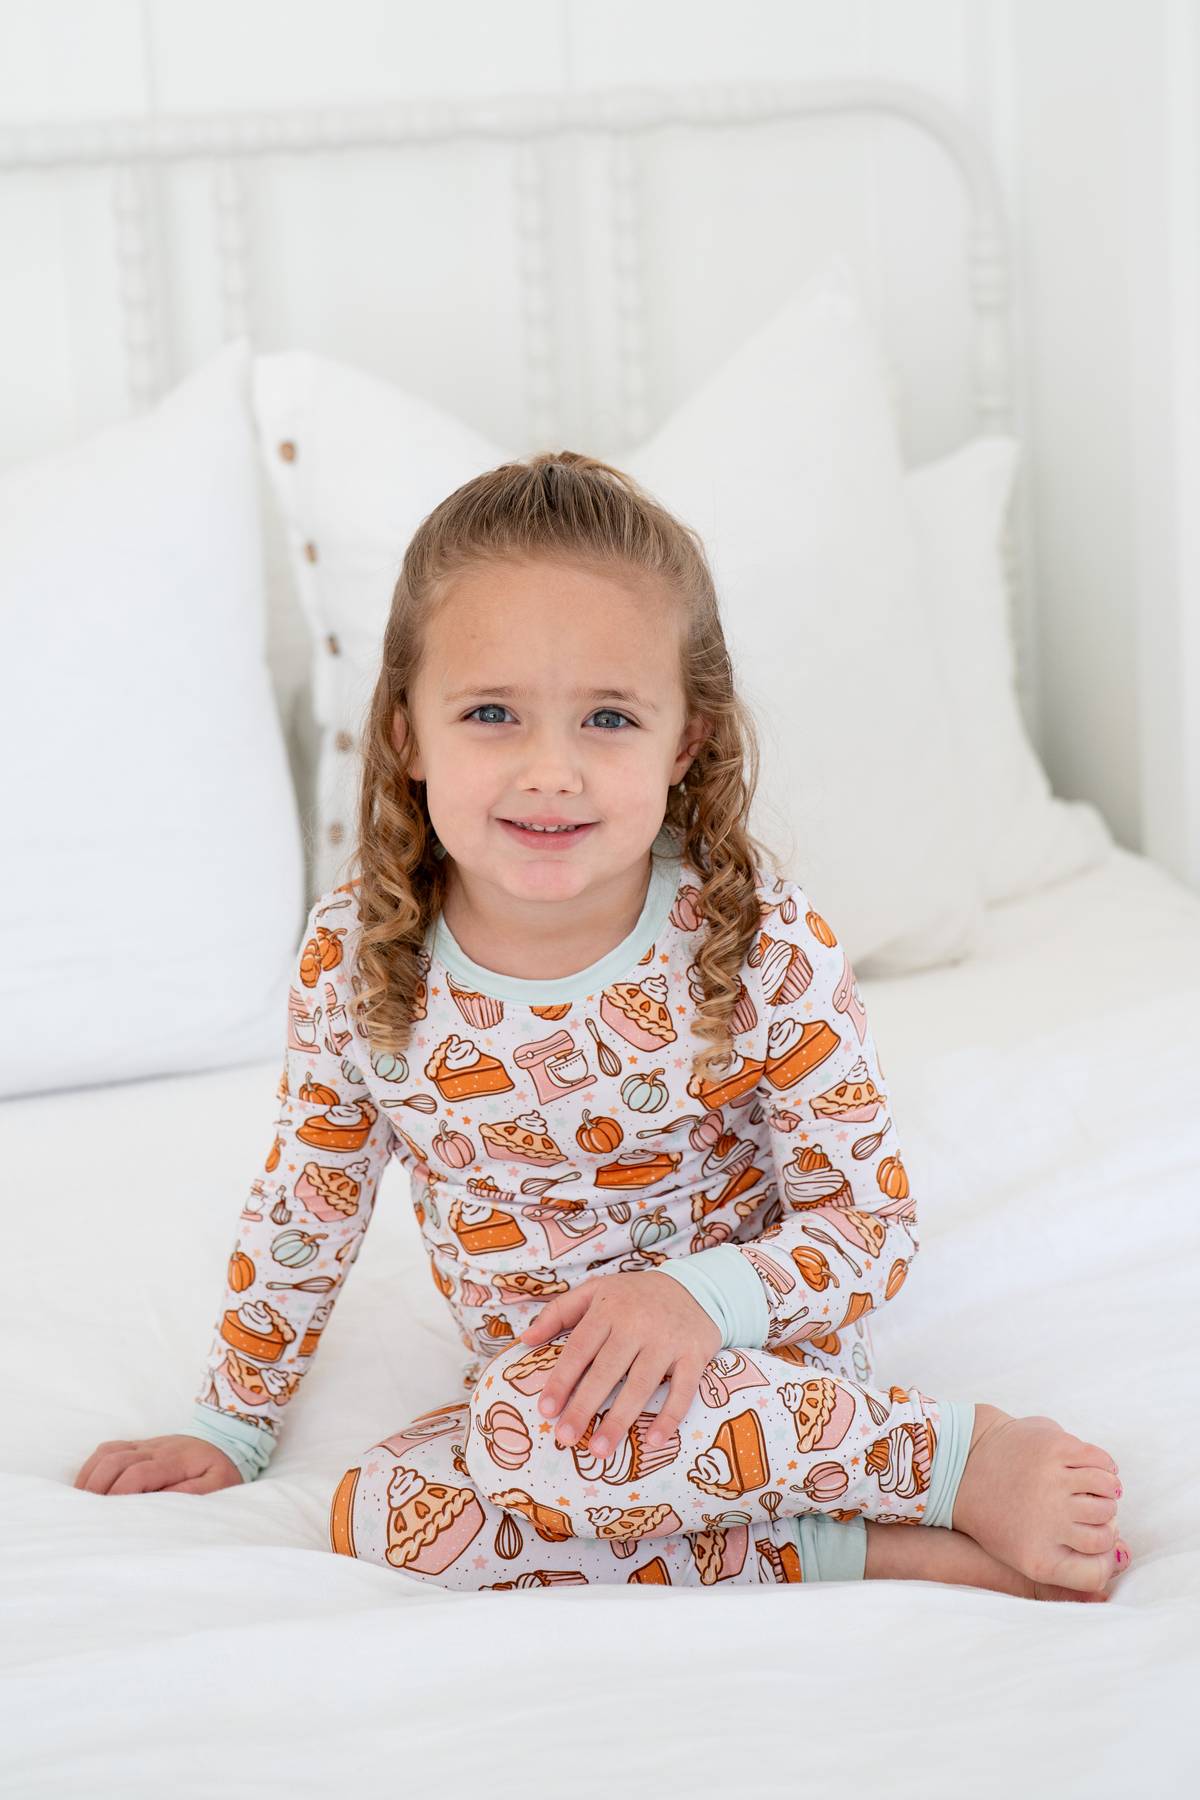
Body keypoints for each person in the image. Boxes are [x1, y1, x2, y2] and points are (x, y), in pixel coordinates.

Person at [74, 451, 1130, 1601]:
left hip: (750, 1369)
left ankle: (950, 1461)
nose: (551, 771)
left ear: (685, 742)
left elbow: (868, 1228)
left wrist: (695, 1302)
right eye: (491, 714)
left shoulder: (761, 944)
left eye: (609, 718)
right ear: (407, 731)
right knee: (383, 1514)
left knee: (523, 1437)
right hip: (552, 1402)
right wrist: (230, 1424)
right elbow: (309, 1203)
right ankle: (868, 1549)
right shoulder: (356, 958)